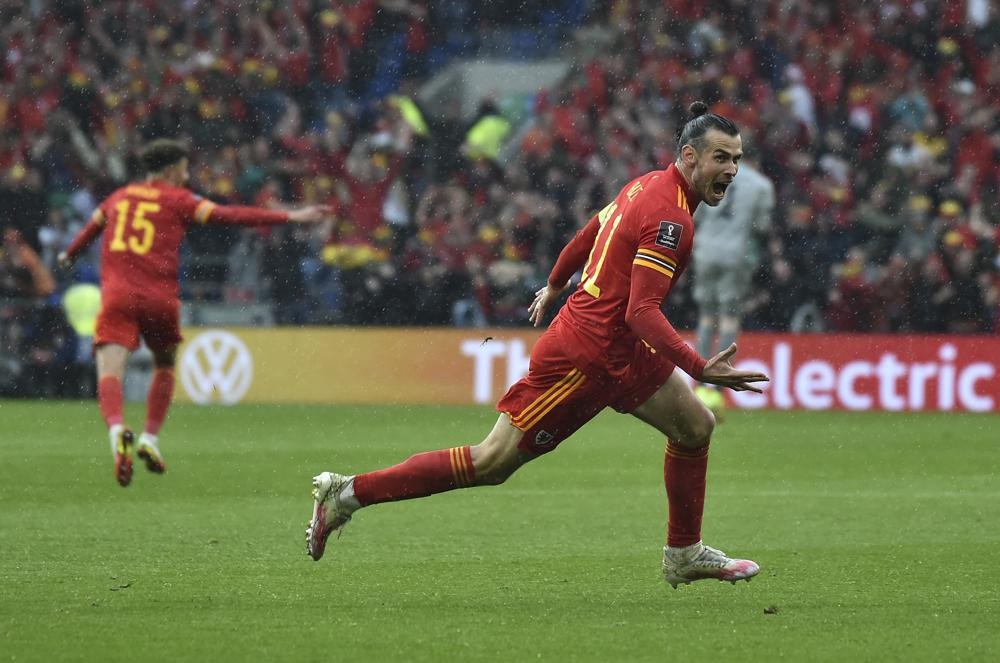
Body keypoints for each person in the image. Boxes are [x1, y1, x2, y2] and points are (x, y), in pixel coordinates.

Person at [305, 103, 769, 588]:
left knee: (696, 425)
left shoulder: (645, 184)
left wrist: (554, 283)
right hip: (585, 355)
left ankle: (683, 552)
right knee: (491, 462)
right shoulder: (672, 219)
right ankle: (346, 493)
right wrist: (698, 367)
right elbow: (640, 311)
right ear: (690, 156)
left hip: (620, 348)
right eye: (722, 158)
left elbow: (592, 230)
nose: (732, 170)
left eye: (736, 159)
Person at [59, 139, 328, 487]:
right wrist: (289, 215)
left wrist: (69, 254)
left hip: (117, 296)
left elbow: (91, 229)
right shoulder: (179, 200)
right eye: (185, 170)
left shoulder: (119, 197)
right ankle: (149, 438)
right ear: (171, 170)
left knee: (109, 371)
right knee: (165, 365)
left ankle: (116, 432)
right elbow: (230, 216)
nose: (187, 177)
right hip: (159, 298)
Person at [691, 157, 774, 416]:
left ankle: (700, 382)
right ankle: (717, 387)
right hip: (736, 254)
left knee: (706, 317)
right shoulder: (760, 185)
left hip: (705, 250)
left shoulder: (713, 175)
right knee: (729, 318)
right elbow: (762, 226)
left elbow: (698, 215)